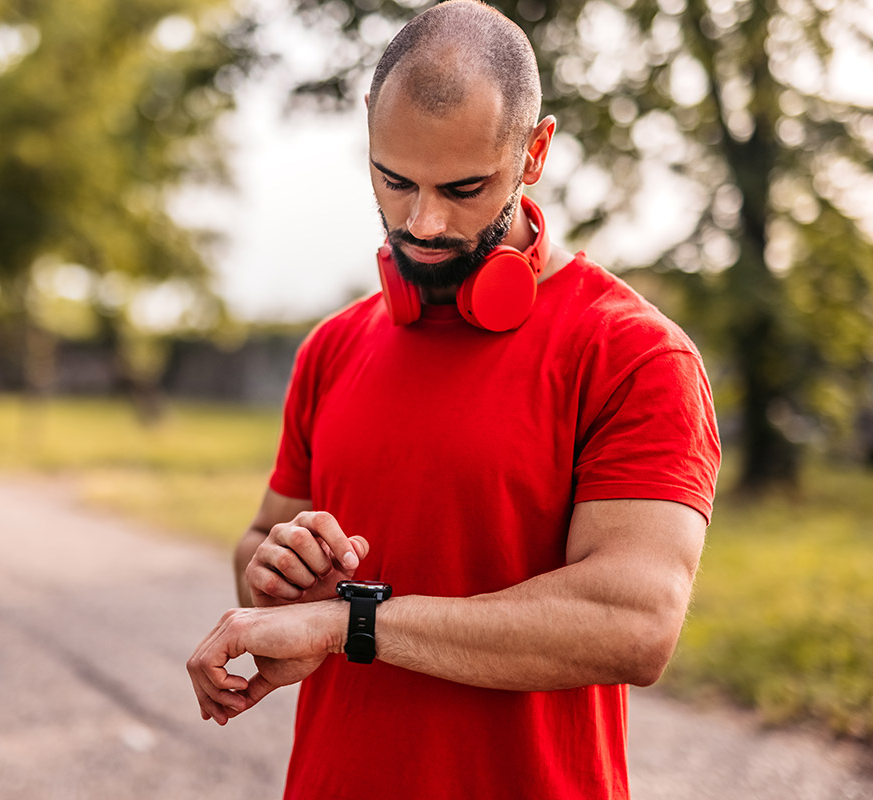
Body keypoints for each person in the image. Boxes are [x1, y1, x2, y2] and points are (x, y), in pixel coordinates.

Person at [186, 2, 721, 798]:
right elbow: (258, 541)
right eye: (394, 180)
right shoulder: (333, 348)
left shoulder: (635, 355)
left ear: (534, 151)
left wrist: (352, 624)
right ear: (370, 124)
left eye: (465, 188)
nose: (423, 221)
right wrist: (274, 576)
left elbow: (634, 622)